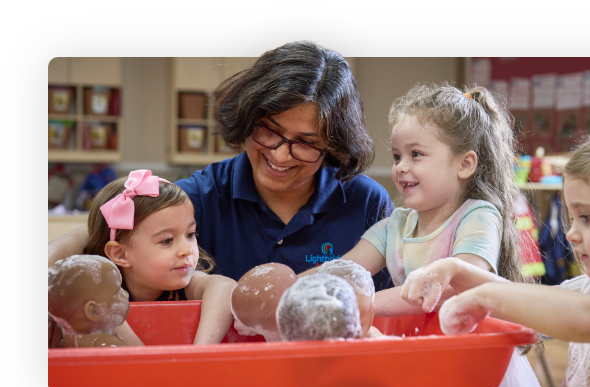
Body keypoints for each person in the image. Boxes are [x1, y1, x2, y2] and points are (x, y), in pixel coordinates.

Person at [48, 41, 394, 292]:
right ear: (247, 119)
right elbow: (100, 233)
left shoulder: (366, 203)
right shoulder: (202, 195)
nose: (280, 155)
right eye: (269, 130)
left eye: (305, 142)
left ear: (332, 145)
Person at [301, 83, 543, 387]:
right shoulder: (396, 225)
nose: (400, 167)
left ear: (465, 164)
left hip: (472, 369)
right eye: (397, 155)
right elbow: (340, 271)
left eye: (416, 154)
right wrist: (294, 286)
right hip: (421, 361)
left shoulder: (478, 215)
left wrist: (362, 304)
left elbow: (455, 284)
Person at [406, 114, 590, 387]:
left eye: (587, 217)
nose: (571, 234)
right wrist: (458, 271)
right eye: (572, 218)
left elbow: (582, 319)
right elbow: (532, 306)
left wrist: (486, 297)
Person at [82, 169, 237, 345]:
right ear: (120, 254)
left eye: (190, 234)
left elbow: (224, 286)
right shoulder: (103, 293)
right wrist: (144, 356)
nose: (187, 250)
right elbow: (100, 304)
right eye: (167, 240)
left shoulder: (181, 284)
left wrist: (200, 351)